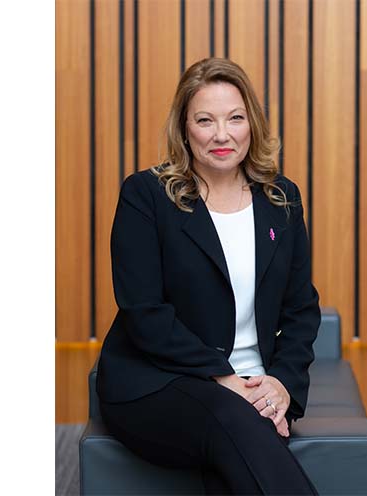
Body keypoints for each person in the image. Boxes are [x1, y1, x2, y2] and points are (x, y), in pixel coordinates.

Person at [96, 57, 321, 495]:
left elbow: (301, 309)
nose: (222, 134)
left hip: (257, 384)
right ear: (184, 129)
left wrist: (282, 385)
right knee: (234, 419)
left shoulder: (281, 198)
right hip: (159, 382)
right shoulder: (146, 195)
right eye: (205, 120)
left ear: (252, 125)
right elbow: (144, 312)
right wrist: (224, 378)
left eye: (235, 118)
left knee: (242, 434)